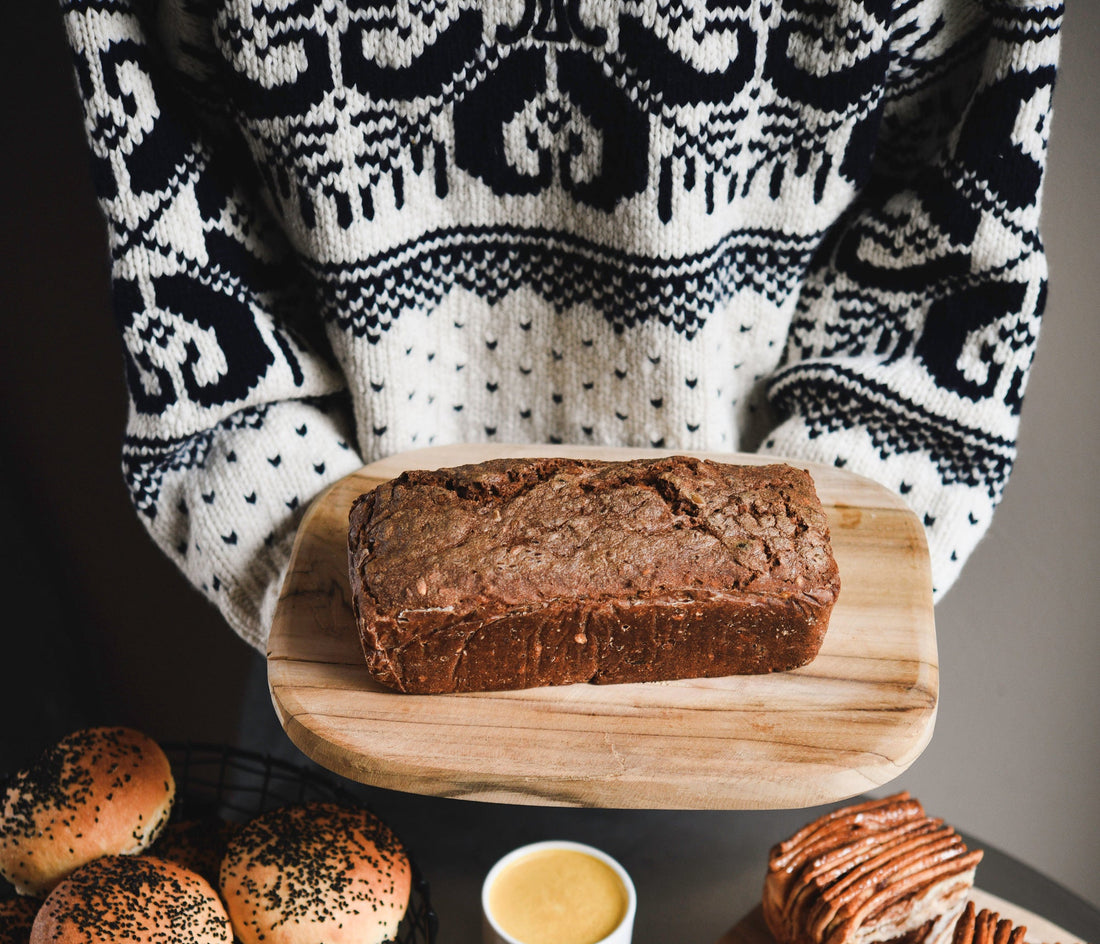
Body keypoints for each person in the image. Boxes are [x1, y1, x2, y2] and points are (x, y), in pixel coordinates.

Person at [60, 0, 1062, 651]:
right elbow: (186, 283)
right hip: (334, 636)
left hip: (773, 693)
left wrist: (773, 597)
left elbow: (943, 281)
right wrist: (345, 601)